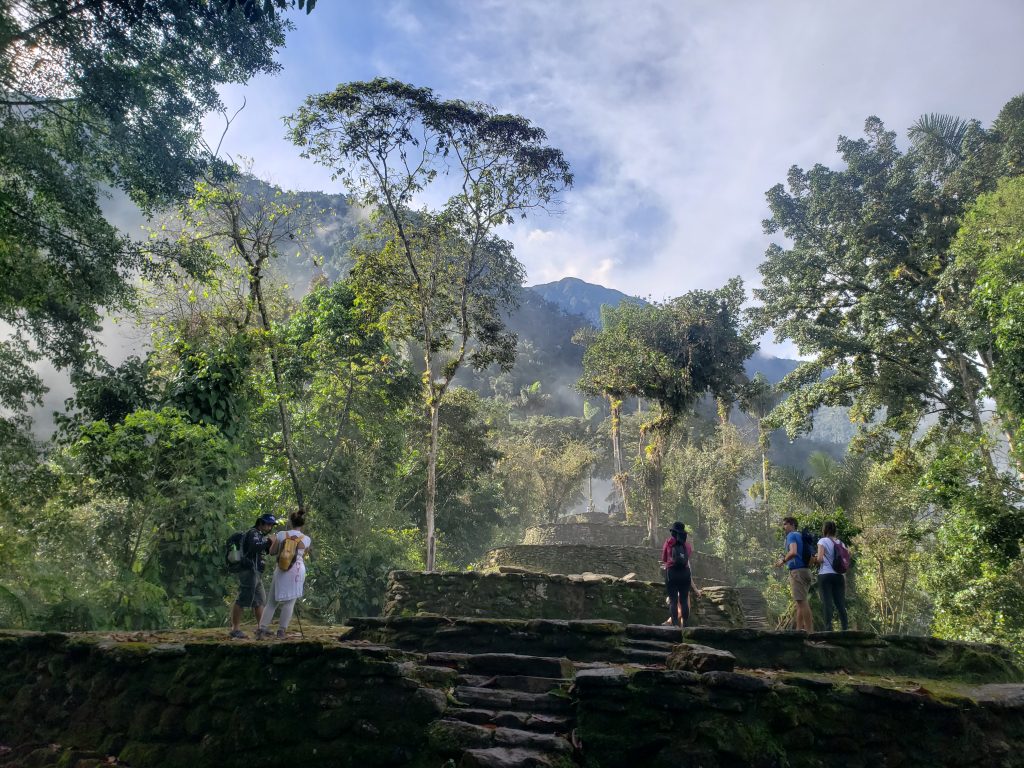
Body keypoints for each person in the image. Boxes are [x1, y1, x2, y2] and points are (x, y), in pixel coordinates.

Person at [256, 510, 311, 639]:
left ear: (291, 522)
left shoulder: (281, 534)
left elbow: (272, 552)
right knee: (289, 602)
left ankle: (262, 629)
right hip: (297, 569)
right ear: (302, 524)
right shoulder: (307, 539)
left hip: (282, 568)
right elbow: (305, 554)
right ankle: (281, 631)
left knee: (272, 602)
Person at [229, 513, 277, 639]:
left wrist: (271, 543)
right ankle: (235, 629)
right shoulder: (253, 532)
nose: (269, 527)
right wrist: (269, 541)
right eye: (267, 524)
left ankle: (261, 628)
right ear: (260, 523)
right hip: (249, 571)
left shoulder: (260, 535)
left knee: (260, 600)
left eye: (271, 525)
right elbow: (254, 547)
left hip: (256, 573)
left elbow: (264, 550)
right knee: (243, 598)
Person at [774, 516, 812, 631]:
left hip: (797, 571)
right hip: (805, 571)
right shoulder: (801, 536)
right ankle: (799, 629)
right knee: (799, 602)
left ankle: (810, 632)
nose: (783, 527)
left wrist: (783, 561)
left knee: (803, 602)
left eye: (785, 524)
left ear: (792, 524)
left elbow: (793, 552)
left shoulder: (791, 535)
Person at [661, 521, 701, 627]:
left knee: (673, 600)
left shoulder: (669, 542)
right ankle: (685, 625)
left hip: (672, 573)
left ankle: (674, 625)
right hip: (685, 573)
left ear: (673, 532)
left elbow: (664, 558)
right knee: (684, 600)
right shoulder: (687, 546)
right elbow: (686, 558)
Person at [815, 520, 849, 631]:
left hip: (825, 574)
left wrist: (813, 558)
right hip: (839, 576)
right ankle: (845, 628)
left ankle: (828, 628)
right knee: (840, 603)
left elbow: (819, 559)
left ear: (825, 529)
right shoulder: (841, 543)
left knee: (827, 602)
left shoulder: (823, 541)